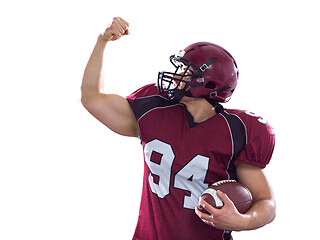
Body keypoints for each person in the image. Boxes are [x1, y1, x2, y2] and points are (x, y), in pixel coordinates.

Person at [81, 17, 276, 240]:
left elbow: (266, 202)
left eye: (186, 71)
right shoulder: (154, 109)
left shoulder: (238, 131)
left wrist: (243, 221)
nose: (176, 76)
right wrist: (102, 42)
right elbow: (92, 98)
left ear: (209, 83)